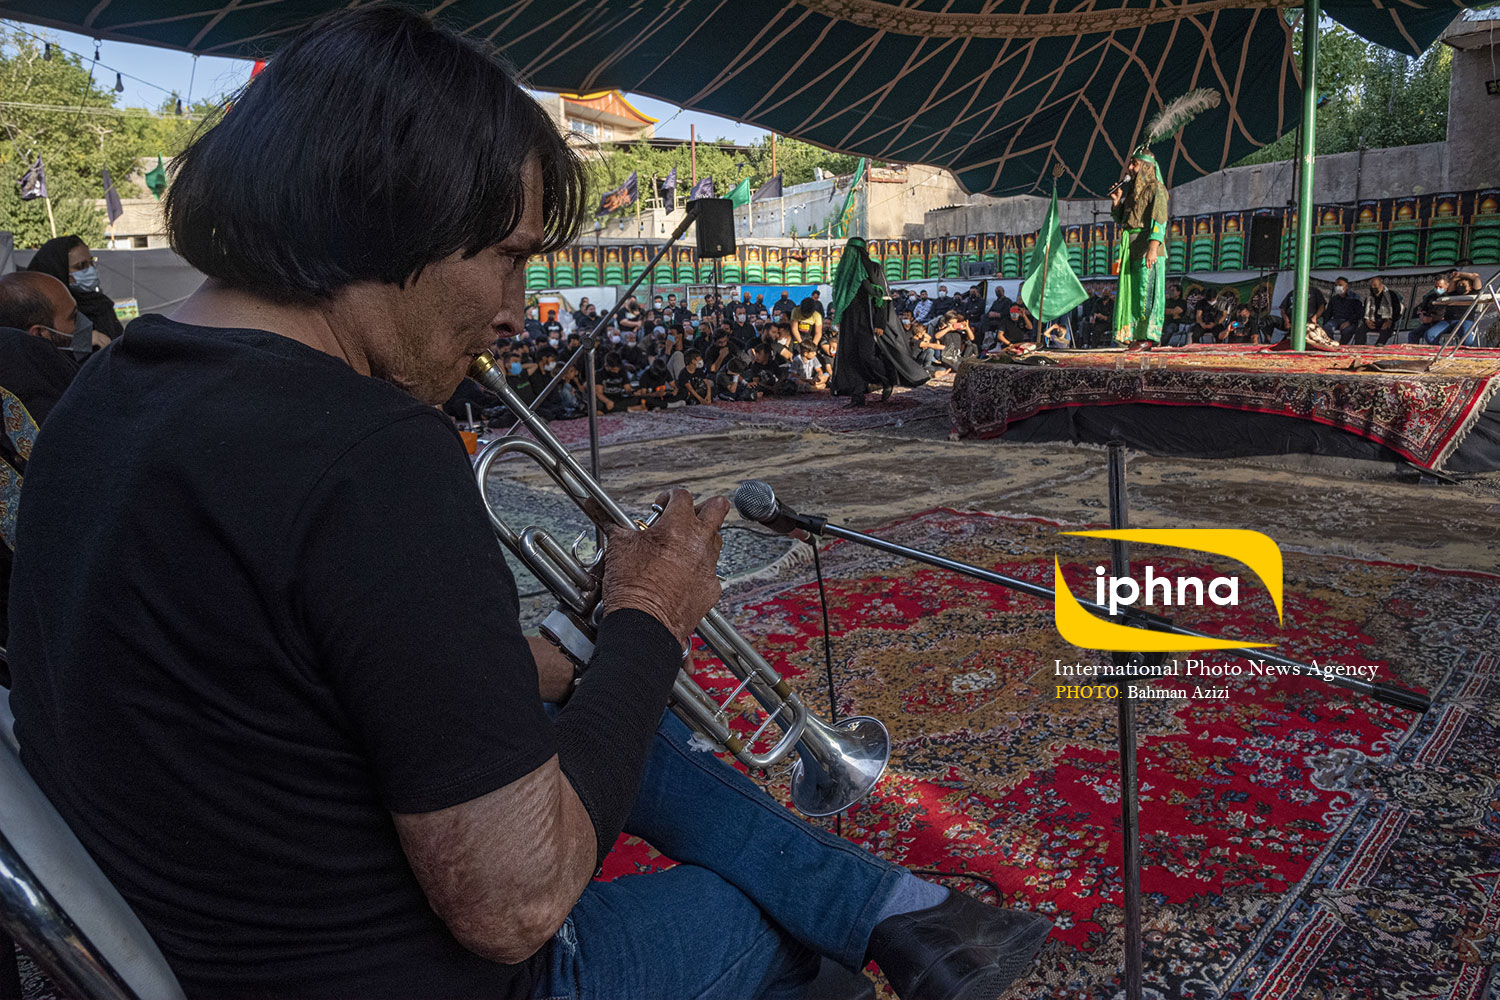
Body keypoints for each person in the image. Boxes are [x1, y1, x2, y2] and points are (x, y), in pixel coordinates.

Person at [5, 10, 1052, 1000]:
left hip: (197, 929)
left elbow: (273, 680)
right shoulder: (368, 453)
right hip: (396, 978)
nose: (514, 310)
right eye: (506, 258)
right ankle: (878, 916)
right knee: (782, 919)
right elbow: (516, 904)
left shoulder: (105, 390)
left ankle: (903, 910)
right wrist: (648, 620)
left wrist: (552, 663)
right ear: (388, 214)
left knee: (580, 705)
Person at [829, 238, 931, 407]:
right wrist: (840, 319)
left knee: (866, 355)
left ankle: (887, 379)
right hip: (850, 320)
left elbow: (883, 297)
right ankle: (857, 396)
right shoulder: (845, 272)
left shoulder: (873, 268)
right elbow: (841, 297)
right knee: (851, 357)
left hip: (868, 320)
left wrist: (879, 323)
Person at [1109, 150, 1169, 348]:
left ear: (1146, 167)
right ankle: (1133, 335)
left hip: (1147, 247)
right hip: (1131, 248)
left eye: (1134, 164)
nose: (1130, 168)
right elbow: (1124, 220)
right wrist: (1117, 202)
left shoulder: (1157, 188)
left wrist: (1153, 248)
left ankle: (1147, 337)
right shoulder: (1133, 192)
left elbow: (1160, 219)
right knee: (1133, 294)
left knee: (1145, 292)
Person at [24, 234, 125, 342]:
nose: (90, 270)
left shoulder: (100, 304)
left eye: (91, 263)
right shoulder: (42, 313)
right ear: (59, 271)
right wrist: (80, 341)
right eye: (80, 266)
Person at [1362, 276, 1402, 346]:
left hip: (1386, 321)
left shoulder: (1391, 295)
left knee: (1385, 331)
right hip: (1373, 321)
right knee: (1360, 331)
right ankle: (1358, 348)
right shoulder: (1369, 297)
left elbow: (1397, 310)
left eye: (1375, 286)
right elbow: (1364, 312)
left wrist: (1390, 321)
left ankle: (1378, 347)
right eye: (1371, 287)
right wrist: (1367, 321)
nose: (1373, 288)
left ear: (1381, 285)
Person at [1323, 278, 1362, 344]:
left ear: (1346, 286)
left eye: (1340, 285)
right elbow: (1328, 313)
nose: (1338, 287)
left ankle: (1342, 346)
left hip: (1349, 321)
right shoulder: (1334, 299)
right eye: (1336, 285)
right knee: (1326, 327)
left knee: (1348, 331)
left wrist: (1349, 322)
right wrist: (1325, 323)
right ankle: (1332, 344)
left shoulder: (1354, 298)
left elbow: (1359, 313)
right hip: (1336, 320)